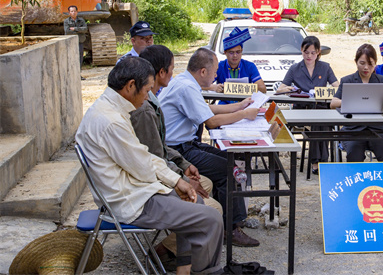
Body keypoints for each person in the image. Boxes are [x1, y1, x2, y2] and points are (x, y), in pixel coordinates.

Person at [76, 57, 223, 275]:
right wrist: (175, 182)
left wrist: (177, 181)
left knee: (196, 202)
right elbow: (143, 167)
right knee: (210, 218)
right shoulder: (111, 121)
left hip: (133, 191)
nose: (147, 97)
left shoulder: (109, 108)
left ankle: (184, 269)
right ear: (130, 86)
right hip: (131, 201)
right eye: (146, 91)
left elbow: (142, 155)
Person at [129, 45, 222, 271]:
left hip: (163, 169)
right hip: (146, 188)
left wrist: (184, 165)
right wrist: (180, 178)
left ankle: (182, 253)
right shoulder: (143, 109)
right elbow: (152, 157)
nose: (174, 72)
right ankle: (165, 253)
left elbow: (160, 148)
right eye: (171, 68)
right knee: (213, 210)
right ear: (160, 73)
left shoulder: (152, 99)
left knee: (206, 183)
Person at [159, 47, 261, 247]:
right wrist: (243, 115)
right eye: (214, 72)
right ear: (203, 72)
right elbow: (211, 121)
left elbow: (206, 109)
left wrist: (239, 106)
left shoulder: (185, 81)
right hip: (177, 150)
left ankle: (233, 218)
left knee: (230, 161)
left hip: (184, 144)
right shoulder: (187, 87)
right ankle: (230, 229)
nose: (216, 76)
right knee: (228, 170)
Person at [276, 36, 339, 174]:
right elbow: (280, 89)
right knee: (318, 120)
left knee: (323, 120)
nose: (309, 56)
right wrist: (289, 89)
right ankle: (318, 161)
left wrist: (327, 92)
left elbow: (337, 87)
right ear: (301, 51)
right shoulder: (295, 68)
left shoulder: (325, 67)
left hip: (321, 107)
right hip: (302, 108)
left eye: (313, 53)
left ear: (318, 52)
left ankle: (319, 160)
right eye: (306, 52)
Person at [330, 43, 383, 162]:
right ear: (356, 62)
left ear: (375, 63)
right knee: (354, 152)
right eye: (362, 63)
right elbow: (333, 103)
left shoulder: (381, 80)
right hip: (354, 130)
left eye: (370, 64)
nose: (366, 68)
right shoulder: (347, 80)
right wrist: (351, 102)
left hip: (378, 130)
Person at [209, 27, 266, 100]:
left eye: (238, 52)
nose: (235, 56)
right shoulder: (219, 66)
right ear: (225, 53)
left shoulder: (250, 66)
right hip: (225, 105)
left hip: (246, 104)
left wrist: (237, 88)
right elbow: (201, 85)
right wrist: (213, 87)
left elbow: (263, 89)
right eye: (231, 52)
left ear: (242, 51)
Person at [63, 5, 87, 79]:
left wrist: (74, 29)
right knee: (70, 58)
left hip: (79, 42)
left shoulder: (81, 20)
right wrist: (79, 31)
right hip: (70, 42)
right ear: (69, 13)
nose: (73, 13)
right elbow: (67, 31)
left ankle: (78, 75)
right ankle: (70, 75)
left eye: (74, 11)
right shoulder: (66, 21)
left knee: (79, 58)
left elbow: (85, 29)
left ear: (77, 12)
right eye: (71, 11)